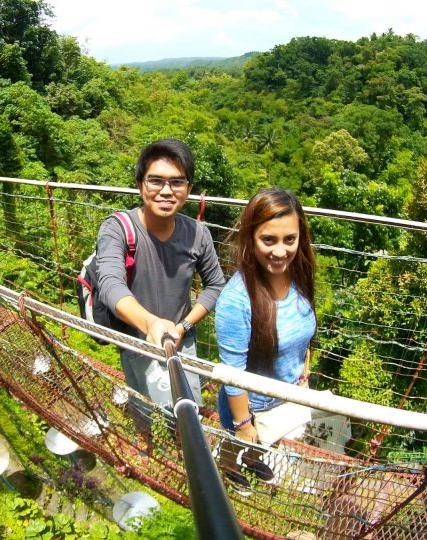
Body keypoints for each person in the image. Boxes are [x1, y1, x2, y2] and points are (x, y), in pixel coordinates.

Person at [96, 138, 225, 434]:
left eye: (177, 182)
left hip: (181, 339)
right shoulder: (118, 228)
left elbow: (215, 284)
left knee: (185, 409)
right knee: (141, 395)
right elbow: (110, 285)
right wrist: (151, 324)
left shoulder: (198, 234)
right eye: (156, 181)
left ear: (188, 190)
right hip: (136, 337)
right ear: (141, 184)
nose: (166, 191)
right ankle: (146, 441)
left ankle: (180, 447)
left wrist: (184, 326)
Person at [215, 187, 316, 493]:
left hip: (286, 395)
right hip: (250, 407)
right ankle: (228, 463)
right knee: (242, 441)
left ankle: (253, 458)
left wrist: (304, 368)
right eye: (268, 240)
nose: (280, 251)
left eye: (290, 239)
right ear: (250, 238)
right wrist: (244, 426)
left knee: (266, 440)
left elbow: (304, 327)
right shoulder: (236, 301)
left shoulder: (299, 275)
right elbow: (232, 375)